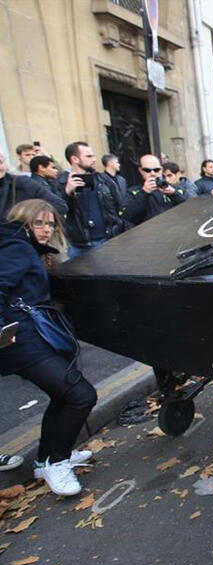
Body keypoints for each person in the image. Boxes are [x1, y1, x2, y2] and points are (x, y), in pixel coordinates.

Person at [0, 199, 97, 495]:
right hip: (21, 340)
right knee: (81, 395)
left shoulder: (24, 247)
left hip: (29, 335)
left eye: (51, 224)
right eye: (38, 223)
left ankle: (46, 459)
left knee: (61, 395)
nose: (46, 229)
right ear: (23, 222)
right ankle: (57, 462)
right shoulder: (17, 247)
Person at [57, 141, 128, 257]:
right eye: (89, 156)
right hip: (79, 246)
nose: (94, 159)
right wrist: (67, 191)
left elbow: (119, 206)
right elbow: (55, 210)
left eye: (94, 156)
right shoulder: (61, 182)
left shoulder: (104, 180)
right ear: (75, 159)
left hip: (108, 240)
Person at [123, 154, 188, 225]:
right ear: (141, 171)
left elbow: (188, 209)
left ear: (161, 170)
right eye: (147, 170)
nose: (153, 173)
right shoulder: (133, 192)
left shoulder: (174, 188)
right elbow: (128, 217)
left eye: (156, 170)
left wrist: (173, 194)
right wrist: (144, 193)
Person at [0, 151, 67, 219]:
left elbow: (59, 205)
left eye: (0, 162)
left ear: (5, 165)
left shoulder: (23, 183)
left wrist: (25, 215)